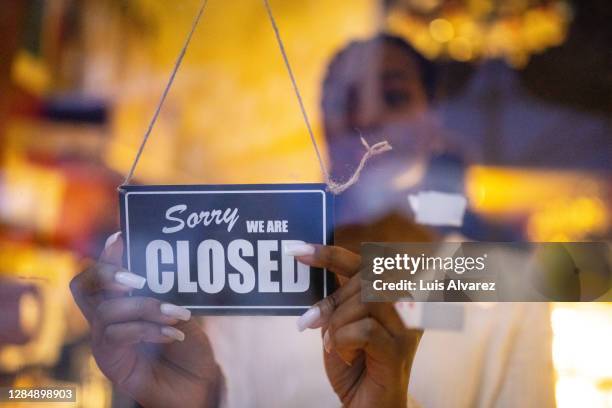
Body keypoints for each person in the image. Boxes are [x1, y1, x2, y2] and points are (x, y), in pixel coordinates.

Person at [70, 34, 555, 407]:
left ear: (432, 126)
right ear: (323, 126)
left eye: (394, 95)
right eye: (344, 100)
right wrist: (202, 399)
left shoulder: (500, 285)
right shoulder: (257, 273)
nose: (365, 116)